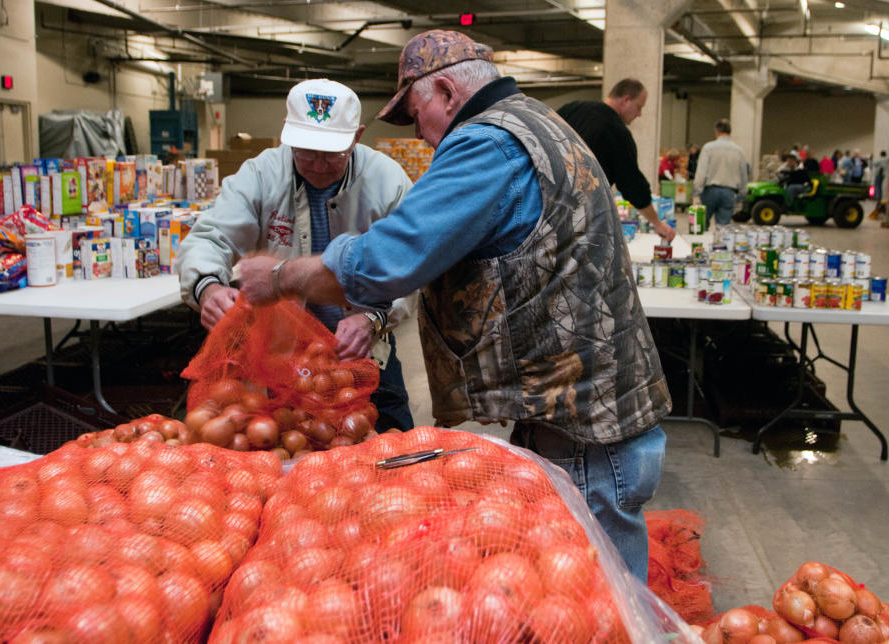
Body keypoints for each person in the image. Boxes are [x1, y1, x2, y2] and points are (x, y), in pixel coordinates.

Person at [233, 29, 672, 581]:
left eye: (417, 114)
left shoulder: (488, 142)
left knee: (596, 580)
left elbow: (389, 259)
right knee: (592, 570)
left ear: (444, 90)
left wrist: (280, 277)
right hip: (590, 399)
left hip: (582, 413)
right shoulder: (536, 120)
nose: (419, 132)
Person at [176, 78, 416, 432]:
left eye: (332, 153)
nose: (318, 165)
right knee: (286, 445)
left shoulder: (387, 181)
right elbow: (209, 237)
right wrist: (207, 286)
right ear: (286, 134)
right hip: (282, 356)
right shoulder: (260, 176)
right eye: (305, 151)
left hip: (364, 352)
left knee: (393, 442)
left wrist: (373, 320)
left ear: (357, 136)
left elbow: (412, 267)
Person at [556, 79, 676, 242]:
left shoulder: (572, 109)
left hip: (547, 207)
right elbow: (633, 185)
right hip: (579, 218)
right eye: (639, 107)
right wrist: (657, 223)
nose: (639, 114)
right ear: (626, 100)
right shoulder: (618, 132)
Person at [692, 118, 749, 228]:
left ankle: (702, 244)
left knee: (701, 227)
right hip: (729, 192)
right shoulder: (739, 151)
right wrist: (741, 195)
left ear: (717, 131)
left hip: (709, 192)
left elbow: (701, 172)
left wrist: (696, 192)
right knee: (723, 229)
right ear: (730, 132)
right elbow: (744, 175)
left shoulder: (708, 148)